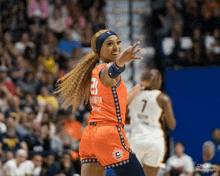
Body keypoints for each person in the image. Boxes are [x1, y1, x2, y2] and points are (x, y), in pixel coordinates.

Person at [55, 29, 145, 176]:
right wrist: (121, 62)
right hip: (108, 135)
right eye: (109, 44)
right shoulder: (106, 69)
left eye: (118, 42)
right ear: (99, 50)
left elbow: (111, 101)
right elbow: (112, 71)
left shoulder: (96, 70)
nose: (116, 47)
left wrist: (130, 97)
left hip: (90, 136)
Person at [126, 68, 176, 176]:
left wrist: (137, 119)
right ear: (158, 80)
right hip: (155, 141)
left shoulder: (133, 96)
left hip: (136, 140)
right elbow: (172, 125)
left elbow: (123, 119)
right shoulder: (163, 98)